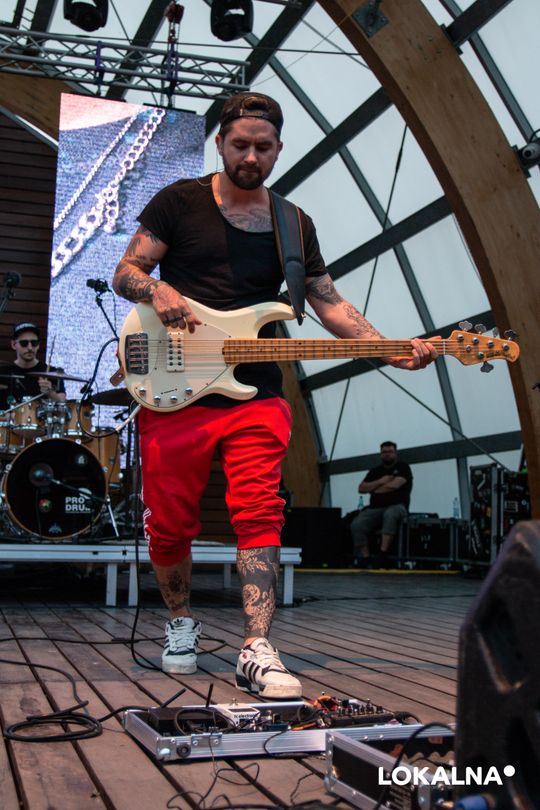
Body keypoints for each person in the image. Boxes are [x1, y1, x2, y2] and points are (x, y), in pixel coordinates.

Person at [112, 92, 438, 699]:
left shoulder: (294, 223)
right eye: (240, 145)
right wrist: (157, 291)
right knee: (170, 522)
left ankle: (256, 645)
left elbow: (328, 302)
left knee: (260, 510)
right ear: (220, 144)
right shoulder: (179, 201)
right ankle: (180, 623)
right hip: (175, 389)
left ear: (278, 149)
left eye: (263, 147)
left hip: (256, 393)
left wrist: (390, 348)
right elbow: (126, 271)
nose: (251, 157)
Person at [351, 441, 412, 569]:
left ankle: (382, 555)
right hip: (375, 508)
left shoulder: (403, 467)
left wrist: (373, 489)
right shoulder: (375, 471)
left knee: (390, 514)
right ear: (380, 454)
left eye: (390, 452)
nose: (387, 454)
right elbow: (361, 488)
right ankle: (366, 558)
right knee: (357, 524)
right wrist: (380, 481)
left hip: (397, 506)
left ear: (395, 453)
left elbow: (394, 485)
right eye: (384, 452)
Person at [0, 322, 66, 411]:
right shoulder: (3, 372)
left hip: (40, 420)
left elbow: (63, 405)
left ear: (38, 345)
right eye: (24, 343)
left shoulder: (52, 373)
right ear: (13, 345)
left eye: (34, 343)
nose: (30, 348)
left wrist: (50, 393)